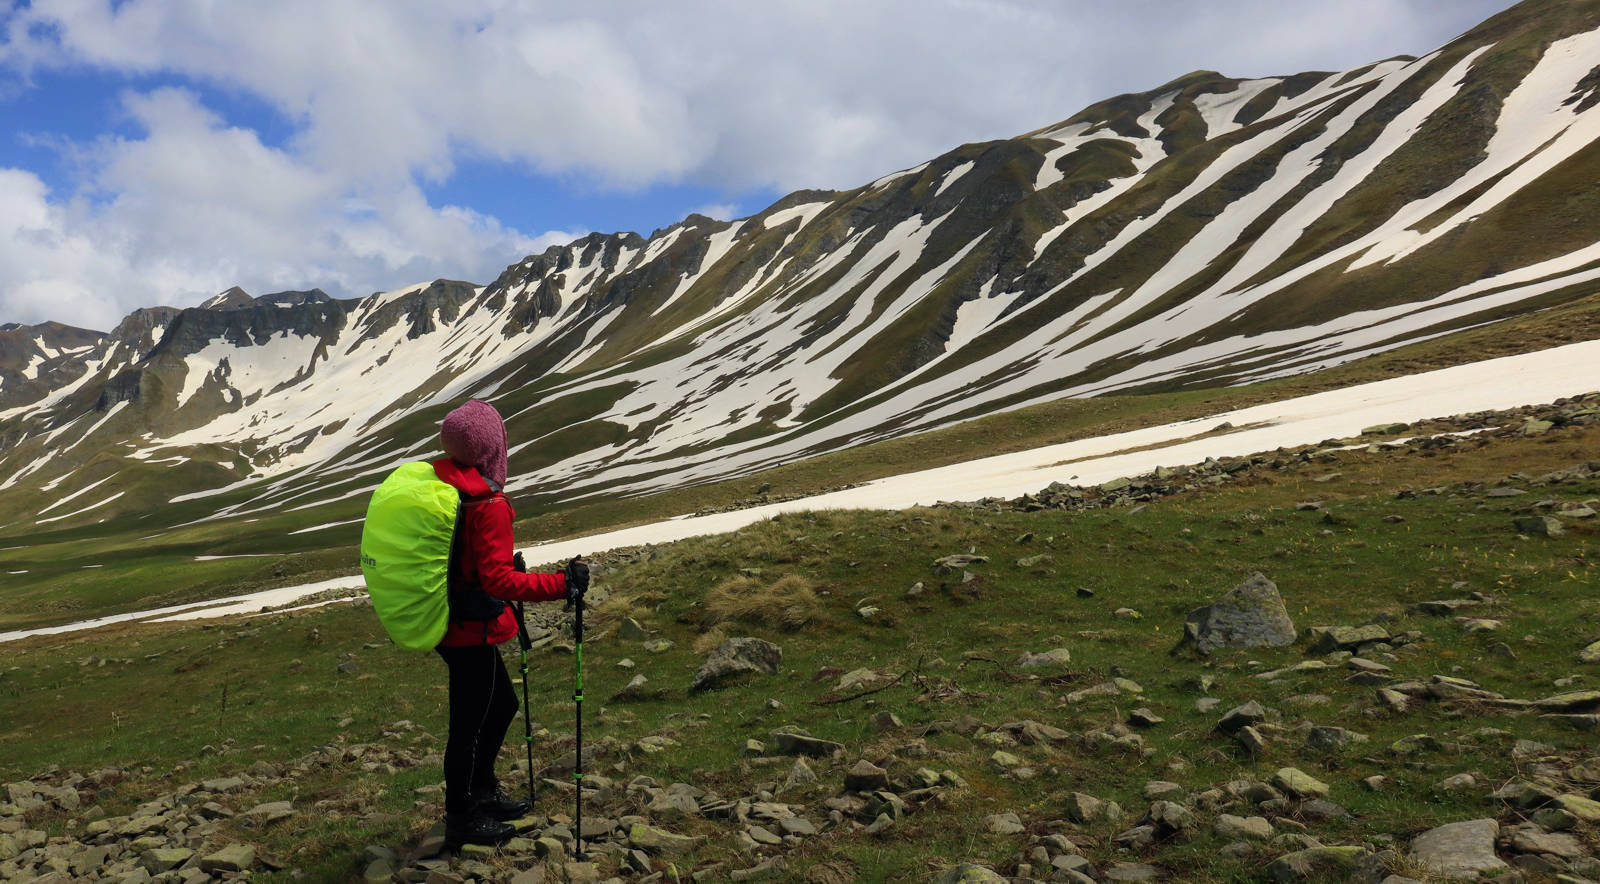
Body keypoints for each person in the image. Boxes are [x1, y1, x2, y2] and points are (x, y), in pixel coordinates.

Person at [431, 399, 590, 846]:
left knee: (499, 707)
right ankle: (461, 817)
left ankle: (481, 790)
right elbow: (498, 582)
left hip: (453, 622)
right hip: (468, 629)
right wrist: (563, 584)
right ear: (492, 451)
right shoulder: (489, 504)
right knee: (467, 724)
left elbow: (473, 562)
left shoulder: (447, 484)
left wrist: (501, 566)